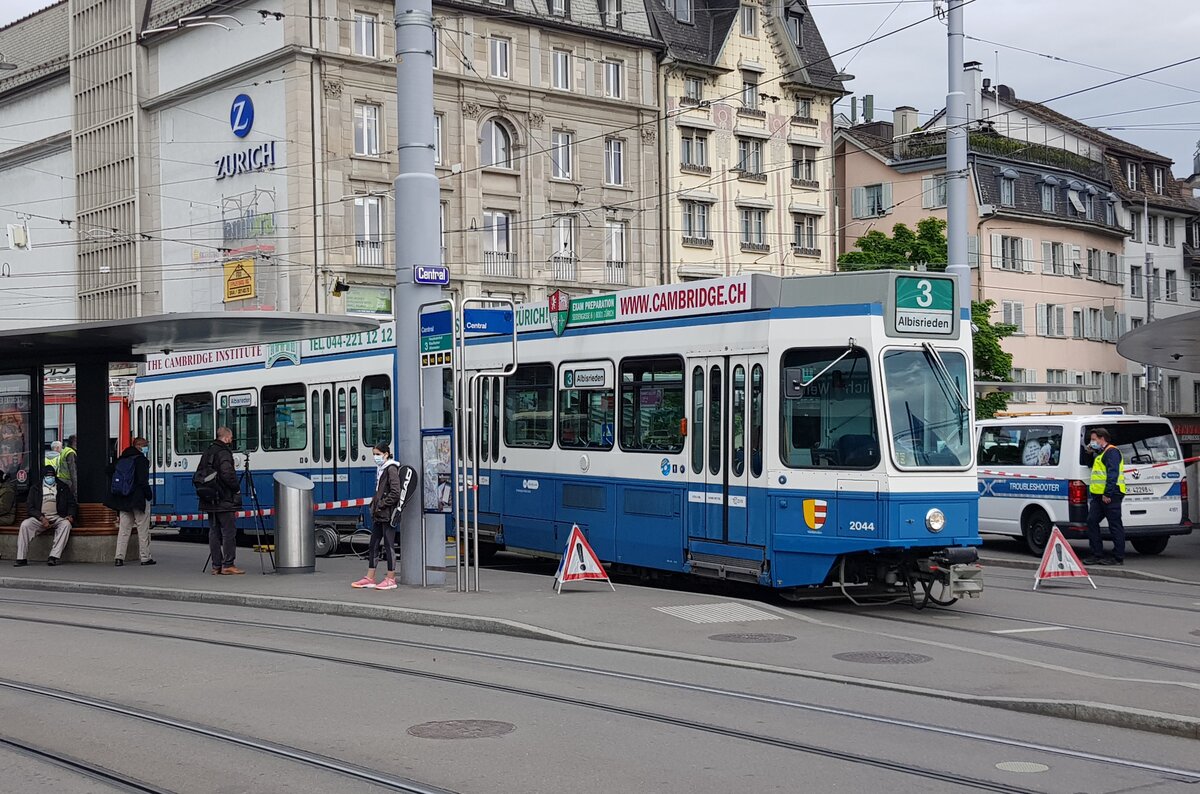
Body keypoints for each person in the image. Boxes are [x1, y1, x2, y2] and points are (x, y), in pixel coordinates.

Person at [352, 443, 402, 590]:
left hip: (387, 513)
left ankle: (391, 578)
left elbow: (395, 492)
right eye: (374, 454)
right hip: (379, 513)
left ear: (386, 454)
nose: (375, 457)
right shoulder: (381, 469)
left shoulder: (391, 469)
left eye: (378, 454)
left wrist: (381, 504)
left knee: (388, 545)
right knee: (373, 544)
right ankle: (370, 577)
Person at [199, 427, 243, 575]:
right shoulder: (224, 452)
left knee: (214, 531)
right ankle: (228, 564)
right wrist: (236, 488)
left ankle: (216, 565)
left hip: (209, 496)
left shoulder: (208, 451)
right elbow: (227, 473)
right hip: (223, 497)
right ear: (226, 437)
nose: (231, 440)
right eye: (231, 437)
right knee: (228, 531)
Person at [105, 436, 155, 566]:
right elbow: (143, 481)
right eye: (145, 445)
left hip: (124, 500)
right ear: (139, 446)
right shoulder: (142, 460)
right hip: (138, 500)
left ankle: (119, 557)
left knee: (123, 530)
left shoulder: (122, 459)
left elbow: (108, 470)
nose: (146, 448)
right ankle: (145, 557)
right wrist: (149, 495)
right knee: (142, 529)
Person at [13, 464, 77, 566]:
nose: (50, 478)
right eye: (48, 476)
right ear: (43, 476)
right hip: (40, 518)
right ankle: (21, 558)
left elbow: (71, 504)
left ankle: (53, 556)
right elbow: (30, 507)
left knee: (66, 525)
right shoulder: (35, 488)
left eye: (52, 476)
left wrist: (70, 516)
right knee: (25, 525)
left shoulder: (63, 487)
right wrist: (41, 518)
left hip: (58, 517)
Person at [1082, 427, 1126, 566]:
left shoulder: (1111, 452)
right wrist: (1088, 453)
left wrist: (1108, 493)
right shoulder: (1100, 453)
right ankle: (1097, 554)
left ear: (1102, 439)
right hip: (1098, 496)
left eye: (1093, 439)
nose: (1091, 442)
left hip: (1111, 495)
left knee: (1115, 525)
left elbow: (1113, 474)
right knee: (1091, 521)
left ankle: (1118, 557)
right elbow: (1090, 465)